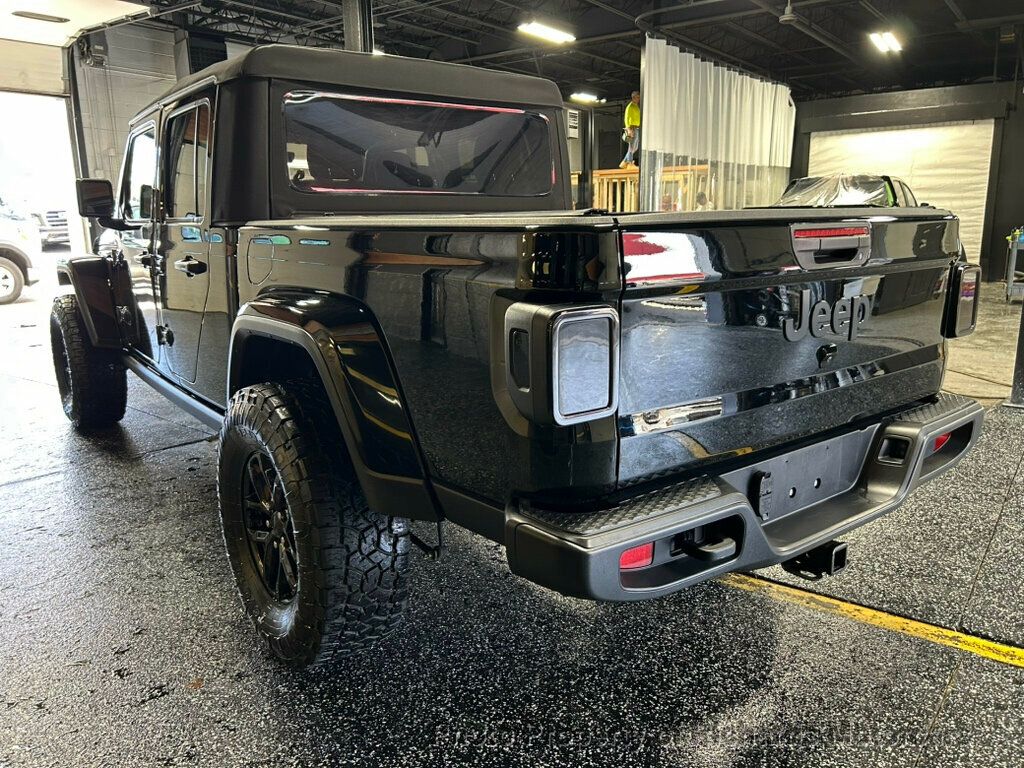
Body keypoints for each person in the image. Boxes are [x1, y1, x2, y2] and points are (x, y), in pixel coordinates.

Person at [619, 90, 641, 169]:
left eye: (639, 97)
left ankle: (624, 162)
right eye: (637, 97)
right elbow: (626, 118)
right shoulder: (630, 106)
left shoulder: (636, 107)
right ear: (633, 97)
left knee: (635, 147)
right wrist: (628, 129)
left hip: (636, 128)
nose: (638, 99)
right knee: (632, 147)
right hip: (632, 128)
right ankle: (630, 163)